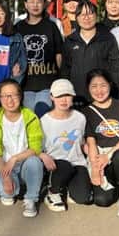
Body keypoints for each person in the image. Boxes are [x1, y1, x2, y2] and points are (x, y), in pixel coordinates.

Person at [83, 69, 119, 219]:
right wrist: (95, 167)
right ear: (88, 88)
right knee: (102, 200)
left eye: (103, 85)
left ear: (110, 85)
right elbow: (91, 142)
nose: (99, 91)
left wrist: (108, 156)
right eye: (94, 86)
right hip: (99, 155)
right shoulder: (87, 112)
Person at [0, 79, 44, 218]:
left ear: (21, 96)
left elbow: (35, 148)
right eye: (5, 96)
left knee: (35, 161)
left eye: (14, 95)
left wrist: (15, 158)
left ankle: (31, 198)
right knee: (8, 193)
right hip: (5, 166)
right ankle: (15, 185)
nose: (10, 100)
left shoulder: (31, 117)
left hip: (25, 164)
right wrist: (5, 176)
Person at [39, 78, 88, 212]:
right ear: (52, 97)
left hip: (77, 162)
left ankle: (67, 186)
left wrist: (93, 156)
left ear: (73, 96)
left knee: (82, 197)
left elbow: (82, 142)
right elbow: (35, 147)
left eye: (67, 95)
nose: (64, 100)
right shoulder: (44, 121)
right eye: (59, 96)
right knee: (65, 166)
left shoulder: (80, 118)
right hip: (55, 164)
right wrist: (42, 155)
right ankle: (53, 192)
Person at [61, 0, 119, 104]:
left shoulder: (107, 38)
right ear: (77, 17)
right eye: (82, 14)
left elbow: (116, 67)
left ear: (96, 16)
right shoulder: (70, 40)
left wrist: (114, 93)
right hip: (77, 97)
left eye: (90, 14)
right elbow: (65, 69)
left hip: (101, 97)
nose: (87, 18)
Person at [15, 0, 63, 117]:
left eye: (39, 2)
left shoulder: (51, 26)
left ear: (44, 4)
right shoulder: (18, 27)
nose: (35, 5)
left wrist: (61, 78)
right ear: (25, 4)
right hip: (25, 84)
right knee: (29, 120)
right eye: (31, 2)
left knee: (44, 117)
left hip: (47, 83)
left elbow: (59, 54)